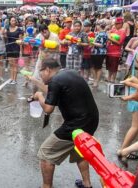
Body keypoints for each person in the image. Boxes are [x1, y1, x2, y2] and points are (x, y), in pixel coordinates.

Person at [28, 58, 99, 188]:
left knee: (46, 153)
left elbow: (48, 109)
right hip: (91, 120)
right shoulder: (68, 72)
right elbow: (53, 92)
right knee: (80, 150)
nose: (40, 76)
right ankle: (87, 184)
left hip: (76, 123)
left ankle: (46, 186)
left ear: (48, 69)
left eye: (41, 72)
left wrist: (39, 97)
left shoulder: (55, 81)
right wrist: (37, 86)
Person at [106, 17, 126, 83]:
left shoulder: (123, 31)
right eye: (115, 23)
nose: (116, 25)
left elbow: (119, 43)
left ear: (121, 24)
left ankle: (113, 79)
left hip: (115, 52)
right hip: (109, 50)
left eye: (117, 24)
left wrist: (110, 38)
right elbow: (108, 34)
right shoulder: (113, 29)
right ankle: (109, 77)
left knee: (114, 67)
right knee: (109, 66)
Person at [5, 16, 23, 84]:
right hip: (9, 47)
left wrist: (21, 51)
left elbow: (20, 40)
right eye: (12, 20)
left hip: (16, 48)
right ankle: (11, 78)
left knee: (15, 64)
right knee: (10, 64)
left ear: (16, 21)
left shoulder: (18, 30)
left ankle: (14, 79)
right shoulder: (7, 29)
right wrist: (5, 25)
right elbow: (4, 35)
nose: (13, 22)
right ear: (10, 21)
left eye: (14, 20)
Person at [91, 21, 108, 87]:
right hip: (95, 52)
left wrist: (92, 43)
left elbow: (101, 45)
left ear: (99, 26)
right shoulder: (99, 33)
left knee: (98, 67)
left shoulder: (103, 34)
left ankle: (96, 81)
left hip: (100, 53)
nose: (96, 26)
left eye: (97, 25)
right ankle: (95, 80)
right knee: (94, 67)